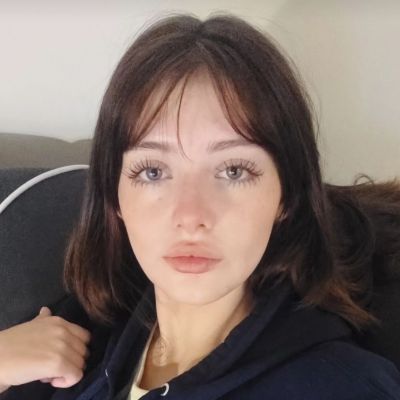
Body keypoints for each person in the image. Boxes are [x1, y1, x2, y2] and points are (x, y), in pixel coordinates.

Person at [0, 12, 400, 400]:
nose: (190, 217)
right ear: (113, 195)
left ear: (287, 196)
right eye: (153, 171)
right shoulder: (90, 322)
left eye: (233, 171)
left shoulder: (343, 386)